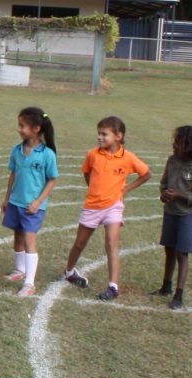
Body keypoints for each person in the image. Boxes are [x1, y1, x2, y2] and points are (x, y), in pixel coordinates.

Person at [61, 115, 151, 301]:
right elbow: (87, 173)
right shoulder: (93, 154)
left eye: (104, 134)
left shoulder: (128, 157)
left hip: (114, 206)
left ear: (119, 136)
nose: (99, 137)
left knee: (112, 243)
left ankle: (113, 286)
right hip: (92, 206)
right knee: (79, 243)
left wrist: (126, 189)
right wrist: (94, 189)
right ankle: (69, 272)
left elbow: (146, 174)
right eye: (99, 134)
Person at [2, 106, 59, 297]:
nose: (19, 129)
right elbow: (13, 174)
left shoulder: (47, 154)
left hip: (32, 206)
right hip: (15, 202)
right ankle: (19, 271)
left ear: (36, 129)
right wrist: (7, 198)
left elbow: (52, 179)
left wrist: (38, 201)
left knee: (29, 240)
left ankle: (30, 283)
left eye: (22, 126)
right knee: (17, 237)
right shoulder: (17, 150)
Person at [153, 125, 192, 310]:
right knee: (169, 249)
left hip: (187, 217)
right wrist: (163, 194)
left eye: (178, 142)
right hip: (170, 213)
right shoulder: (172, 161)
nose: (174, 144)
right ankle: (166, 286)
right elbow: (163, 183)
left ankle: (179, 293)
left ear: (190, 145)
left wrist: (179, 195)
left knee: (181, 254)